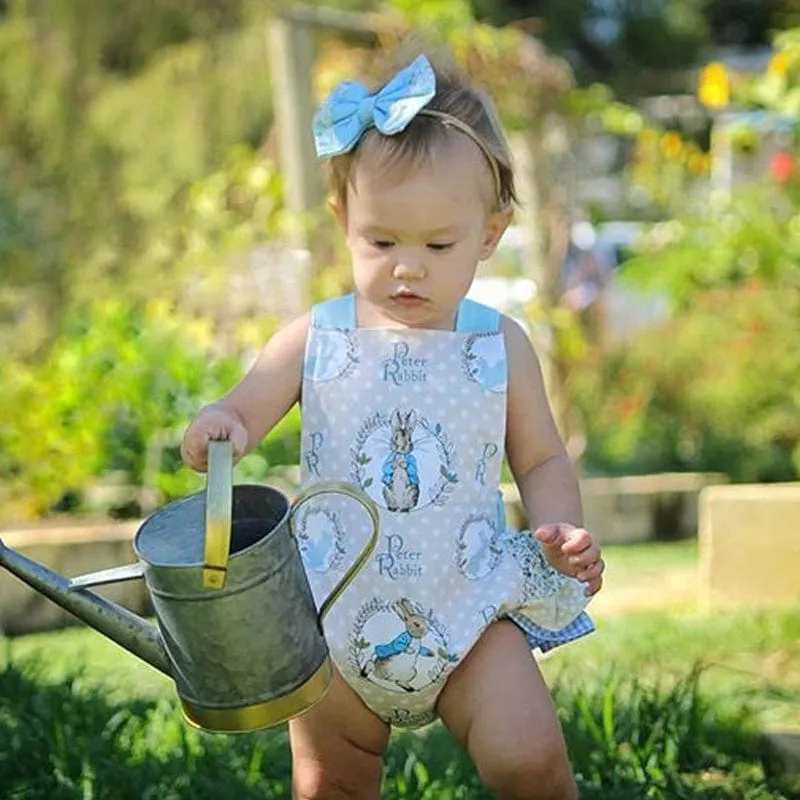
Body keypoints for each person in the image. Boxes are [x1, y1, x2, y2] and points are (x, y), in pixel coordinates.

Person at [181, 46, 605, 800]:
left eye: (438, 245)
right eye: (381, 242)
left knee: (529, 757)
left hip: (472, 607)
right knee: (332, 785)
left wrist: (561, 529)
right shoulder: (315, 338)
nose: (407, 267)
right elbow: (245, 408)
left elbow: (539, 459)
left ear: (489, 233)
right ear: (344, 219)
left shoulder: (499, 345)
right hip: (333, 616)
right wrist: (221, 425)